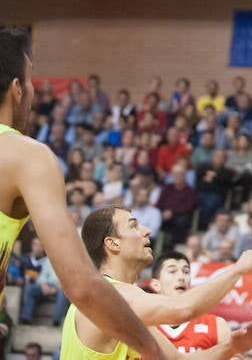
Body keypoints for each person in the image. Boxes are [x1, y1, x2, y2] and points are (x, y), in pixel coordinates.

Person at [0, 27, 168, 360]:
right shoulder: (25, 155)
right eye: (31, 82)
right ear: (17, 89)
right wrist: (152, 351)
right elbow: (82, 286)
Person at [64, 205, 252, 359]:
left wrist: (231, 347)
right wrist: (238, 269)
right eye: (134, 226)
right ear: (113, 243)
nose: (147, 230)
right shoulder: (107, 296)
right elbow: (183, 309)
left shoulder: (127, 307)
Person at [150, 251, 231, 353]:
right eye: (172, 271)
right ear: (156, 285)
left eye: (186, 272)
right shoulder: (142, 327)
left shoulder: (216, 325)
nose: (181, 277)